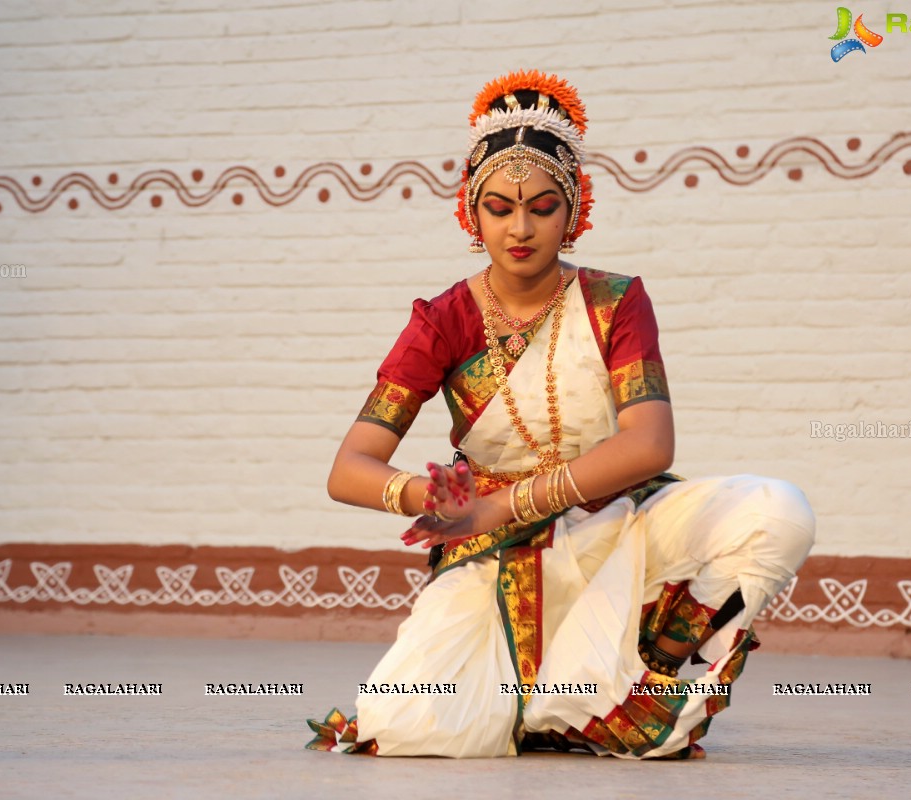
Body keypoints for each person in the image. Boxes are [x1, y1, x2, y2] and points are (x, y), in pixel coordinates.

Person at [306, 70, 815, 759]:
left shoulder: (614, 301)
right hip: (495, 550)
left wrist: (503, 503)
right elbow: (348, 470)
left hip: (619, 521)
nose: (520, 228)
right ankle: (561, 704)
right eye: (499, 208)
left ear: (573, 211)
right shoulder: (443, 321)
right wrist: (437, 501)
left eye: (543, 207)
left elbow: (649, 445)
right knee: (415, 724)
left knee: (775, 511)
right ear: (470, 213)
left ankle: (646, 683)